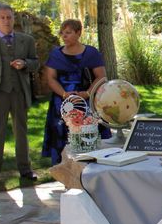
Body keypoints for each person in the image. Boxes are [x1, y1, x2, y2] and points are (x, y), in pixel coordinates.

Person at [41, 19, 111, 165]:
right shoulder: (55, 54)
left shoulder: (91, 53)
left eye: (68, 33)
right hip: (61, 102)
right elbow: (51, 79)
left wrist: (86, 93)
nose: (64, 36)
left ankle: (90, 172)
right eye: (62, 33)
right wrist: (64, 95)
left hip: (87, 101)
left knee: (87, 135)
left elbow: (101, 77)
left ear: (78, 33)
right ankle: (63, 170)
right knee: (60, 135)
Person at [0, 3, 39, 184]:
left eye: (9, 17)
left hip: (19, 92)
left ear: (13, 19)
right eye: (2, 17)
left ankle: (25, 169)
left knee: (21, 132)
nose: (6, 21)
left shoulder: (27, 40)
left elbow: (36, 63)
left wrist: (25, 64)